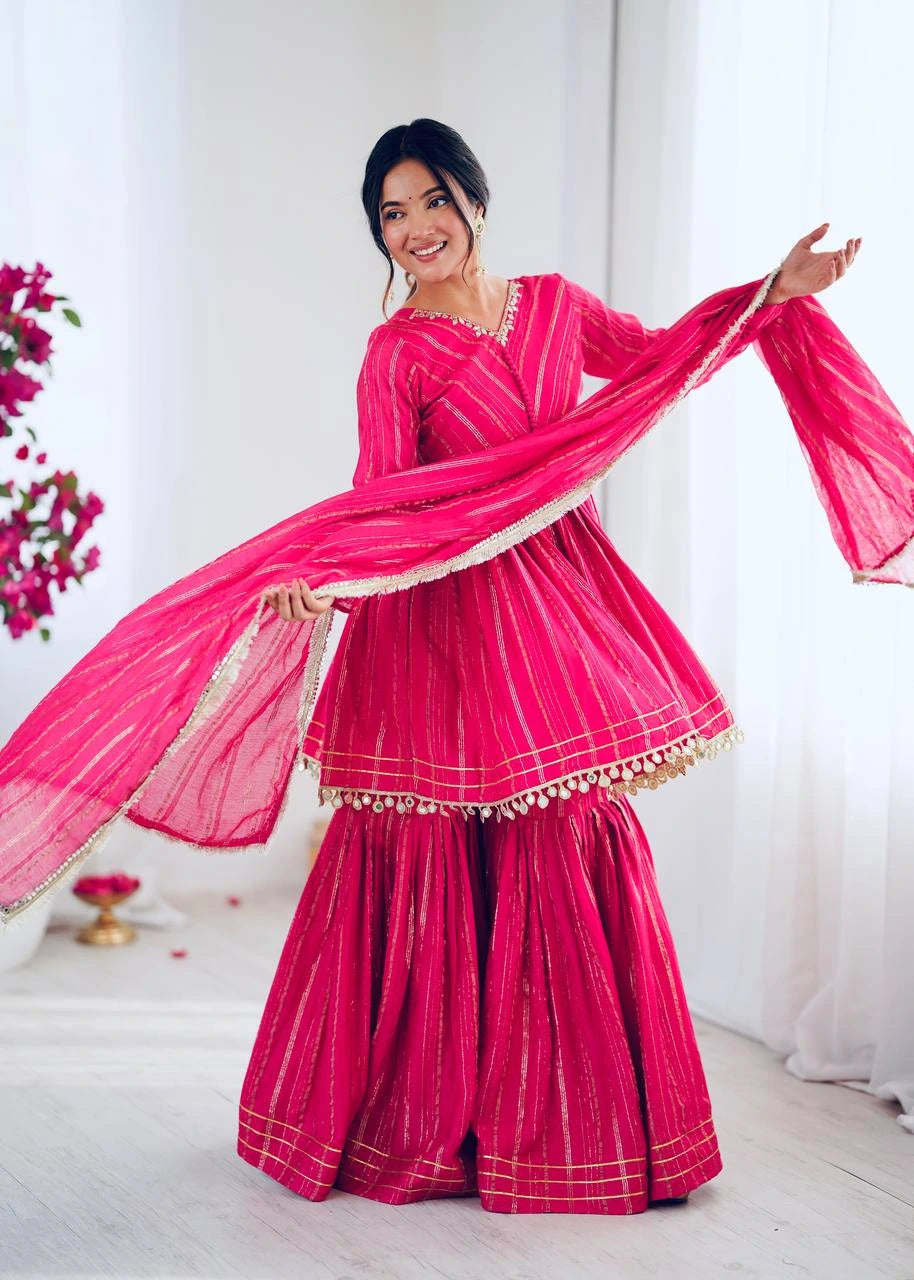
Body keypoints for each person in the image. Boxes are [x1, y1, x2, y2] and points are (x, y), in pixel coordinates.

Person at [235, 118, 861, 1215]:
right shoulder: (396, 353)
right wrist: (320, 573)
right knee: (431, 847)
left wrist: (771, 292)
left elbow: (664, 358)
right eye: (390, 213)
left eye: (430, 200)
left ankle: (574, 1122)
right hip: (438, 622)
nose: (414, 228)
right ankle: (426, 1122)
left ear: (473, 198)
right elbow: (380, 495)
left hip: (550, 596)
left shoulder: (556, 306)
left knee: (564, 826)